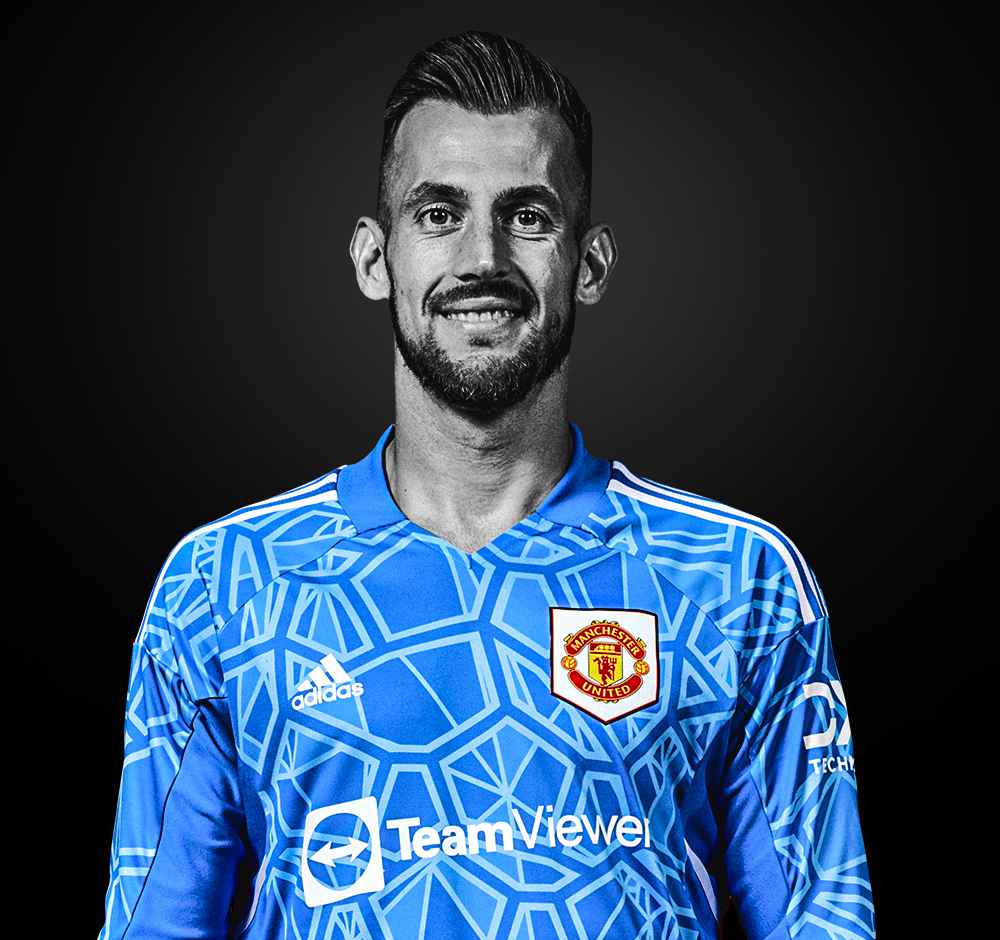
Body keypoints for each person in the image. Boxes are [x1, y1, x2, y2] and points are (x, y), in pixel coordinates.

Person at [98, 30, 875, 940]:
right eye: (438, 213)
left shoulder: (737, 577)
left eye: (529, 216)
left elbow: (824, 918)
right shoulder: (223, 586)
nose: (482, 258)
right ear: (375, 258)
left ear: (589, 263)